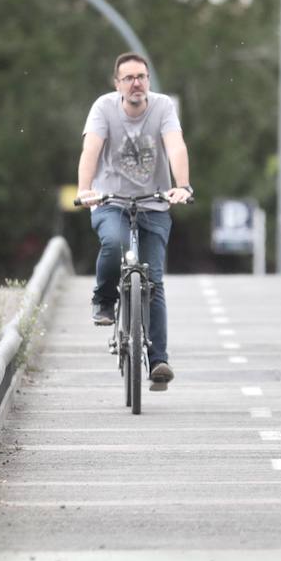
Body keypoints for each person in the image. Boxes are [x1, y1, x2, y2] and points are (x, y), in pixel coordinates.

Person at [75, 53, 193, 388]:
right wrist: (85, 190)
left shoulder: (163, 107)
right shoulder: (104, 108)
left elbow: (176, 147)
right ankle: (104, 299)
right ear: (118, 84)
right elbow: (91, 151)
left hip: (154, 204)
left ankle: (159, 362)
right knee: (115, 243)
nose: (136, 83)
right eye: (128, 78)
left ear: (148, 81)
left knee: (153, 280)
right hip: (109, 201)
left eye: (141, 76)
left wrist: (181, 186)